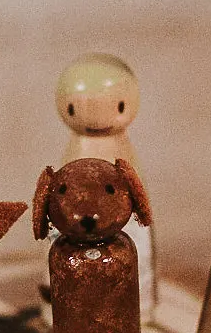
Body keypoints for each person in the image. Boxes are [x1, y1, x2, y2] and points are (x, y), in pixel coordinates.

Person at [56, 52, 156, 318]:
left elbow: (136, 190)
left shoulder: (124, 153)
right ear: (67, 108)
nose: (98, 121)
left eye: (118, 106)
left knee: (133, 258)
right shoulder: (77, 149)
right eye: (76, 109)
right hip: (78, 227)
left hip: (128, 223)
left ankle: (138, 308)